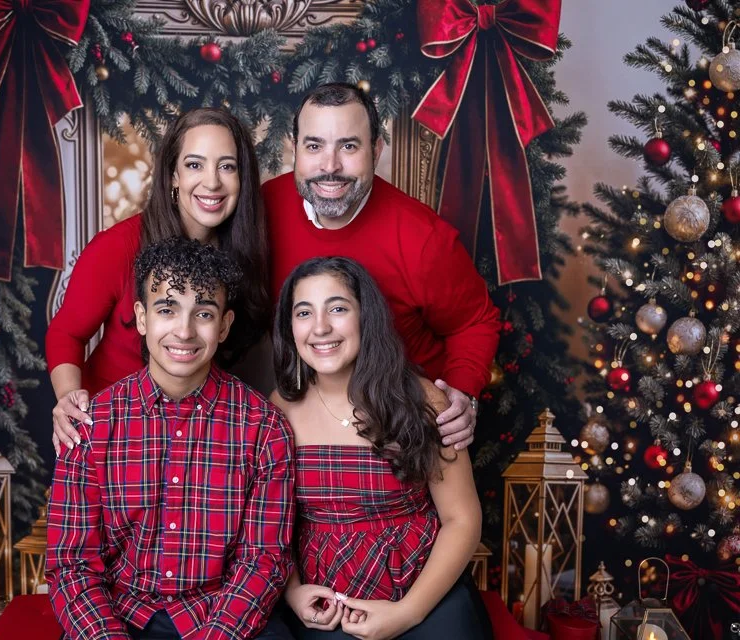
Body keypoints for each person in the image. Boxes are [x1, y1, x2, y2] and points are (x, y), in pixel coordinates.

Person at [46, 237, 295, 640]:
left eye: (204, 313)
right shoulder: (92, 424)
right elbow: (71, 564)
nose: (184, 331)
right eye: (167, 309)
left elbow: (262, 562)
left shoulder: (264, 428)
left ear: (225, 325)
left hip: (222, 617)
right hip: (120, 615)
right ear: (142, 318)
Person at [263, 83, 501, 451]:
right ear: (293, 149)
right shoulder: (262, 211)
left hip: (400, 432)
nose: (330, 166)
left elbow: (474, 321)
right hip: (303, 426)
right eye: (314, 146)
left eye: (349, 146)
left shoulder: (424, 238)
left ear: (376, 150)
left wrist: (462, 391)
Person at [270, 257, 491, 640]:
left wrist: (408, 612)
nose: (321, 327)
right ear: (290, 328)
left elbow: (462, 519)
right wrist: (292, 592)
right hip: (325, 604)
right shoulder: (280, 407)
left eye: (338, 308)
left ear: (365, 317)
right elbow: (270, 522)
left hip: (424, 593)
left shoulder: (421, 399)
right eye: (304, 312)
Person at [47, 107, 269, 456]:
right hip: (114, 435)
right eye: (195, 165)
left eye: (226, 167)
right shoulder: (119, 246)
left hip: (200, 439)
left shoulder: (246, 254)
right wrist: (68, 400)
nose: (212, 182)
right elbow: (66, 333)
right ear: (173, 175)